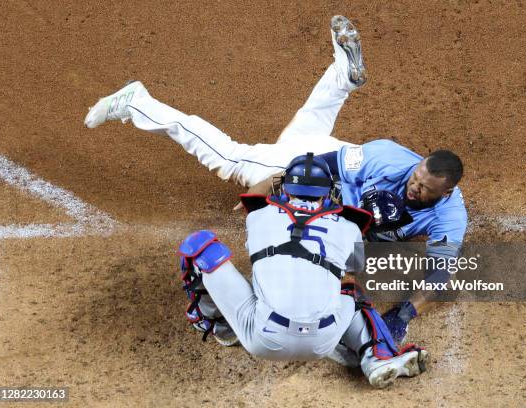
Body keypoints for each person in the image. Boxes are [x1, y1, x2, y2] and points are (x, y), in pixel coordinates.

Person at [84, 15, 467, 341]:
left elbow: (440, 275)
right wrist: (263, 186)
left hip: (329, 179)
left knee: (305, 131)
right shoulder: (388, 157)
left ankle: (342, 78)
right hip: (316, 168)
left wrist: (403, 315)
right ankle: (137, 103)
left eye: (424, 189)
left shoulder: (450, 217)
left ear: (446, 192)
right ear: (419, 162)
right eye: (416, 177)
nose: (413, 186)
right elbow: (312, 162)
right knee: (230, 159)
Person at [176, 153, 428, 388]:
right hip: (323, 340)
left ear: (285, 188)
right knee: (352, 294)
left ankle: (222, 326)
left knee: (201, 248)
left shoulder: (258, 216)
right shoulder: (348, 227)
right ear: (327, 192)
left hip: (262, 338)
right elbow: (355, 267)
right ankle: (377, 356)